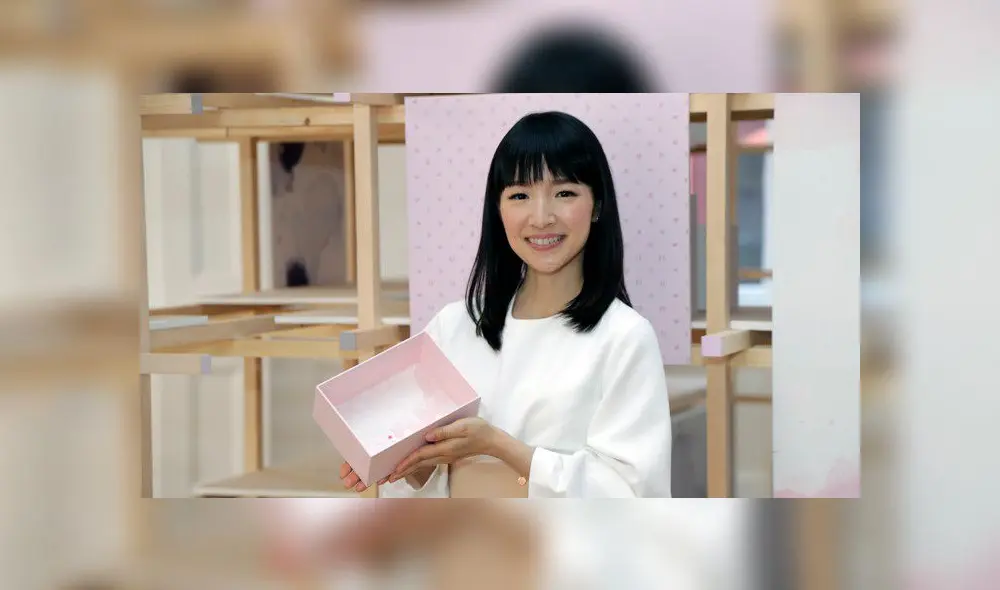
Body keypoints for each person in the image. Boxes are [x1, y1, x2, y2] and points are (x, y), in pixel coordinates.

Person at [339, 110, 673, 498]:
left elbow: (633, 493)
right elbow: (426, 484)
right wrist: (400, 461)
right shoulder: (454, 325)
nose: (541, 218)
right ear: (498, 211)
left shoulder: (625, 337)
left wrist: (497, 446)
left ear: (597, 205)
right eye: (519, 196)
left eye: (564, 193)